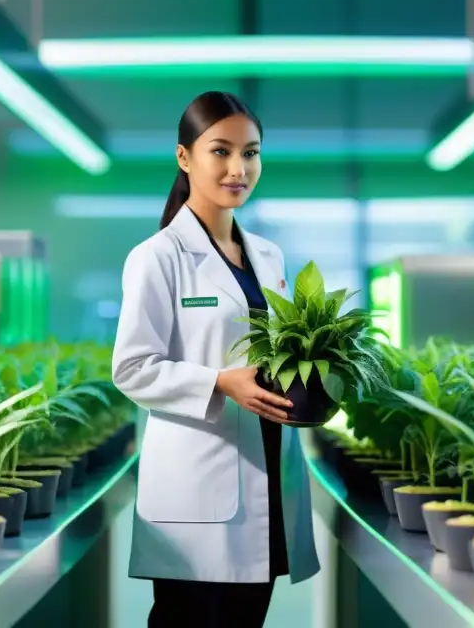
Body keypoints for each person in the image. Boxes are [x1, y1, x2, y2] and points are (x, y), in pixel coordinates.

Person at [111, 91, 320, 627]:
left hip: (268, 477)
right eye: (220, 151)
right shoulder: (157, 257)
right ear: (185, 158)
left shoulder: (268, 255)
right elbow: (132, 368)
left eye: (250, 153)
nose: (238, 168)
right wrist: (219, 382)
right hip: (198, 493)